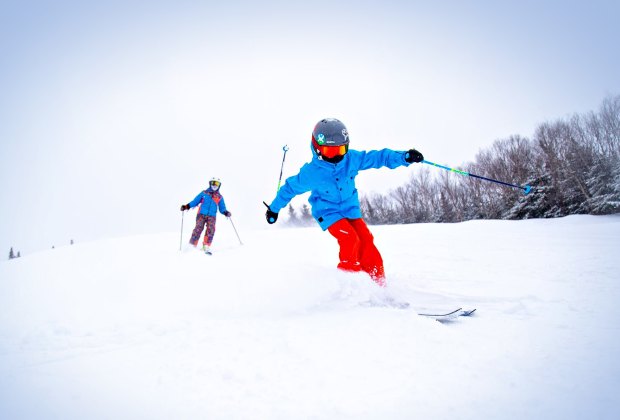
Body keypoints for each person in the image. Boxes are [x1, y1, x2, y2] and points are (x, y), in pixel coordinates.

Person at [264, 118, 424, 286]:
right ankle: (349, 284)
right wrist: (274, 209)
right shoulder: (311, 172)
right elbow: (289, 188)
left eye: (340, 150)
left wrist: (404, 157)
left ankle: (377, 283)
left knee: (365, 239)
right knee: (350, 239)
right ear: (317, 149)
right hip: (328, 212)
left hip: (350, 208)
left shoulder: (351, 159)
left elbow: (378, 157)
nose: (337, 156)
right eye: (330, 152)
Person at [181, 177, 232, 254]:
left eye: (217, 184)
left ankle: (206, 246)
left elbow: (222, 208)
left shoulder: (219, 197)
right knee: (198, 228)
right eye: (213, 183)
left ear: (219, 185)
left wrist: (225, 212)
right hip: (201, 214)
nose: (214, 185)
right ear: (210, 184)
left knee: (211, 230)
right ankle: (192, 245)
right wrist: (186, 206)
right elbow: (195, 201)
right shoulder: (204, 193)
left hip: (212, 216)